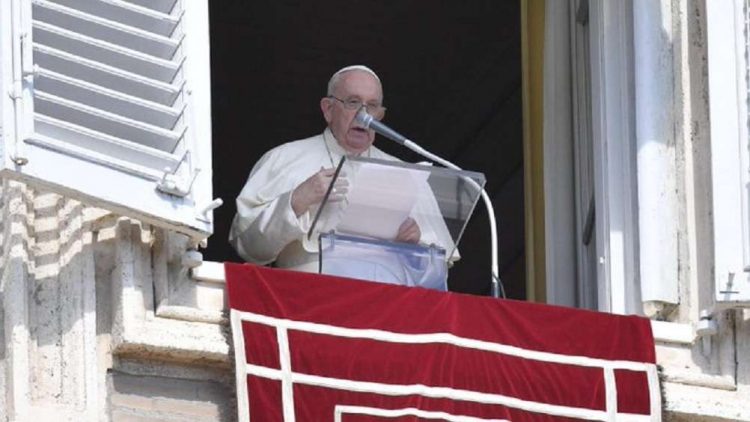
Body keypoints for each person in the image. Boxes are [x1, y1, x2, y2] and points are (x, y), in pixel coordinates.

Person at [229, 65, 451, 275]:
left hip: (384, 304)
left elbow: (440, 271)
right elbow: (248, 247)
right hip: (306, 298)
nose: (364, 115)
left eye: (372, 106)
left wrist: (414, 246)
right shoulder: (284, 158)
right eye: (353, 102)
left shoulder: (406, 174)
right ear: (328, 109)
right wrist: (296, 200)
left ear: (380, 115)